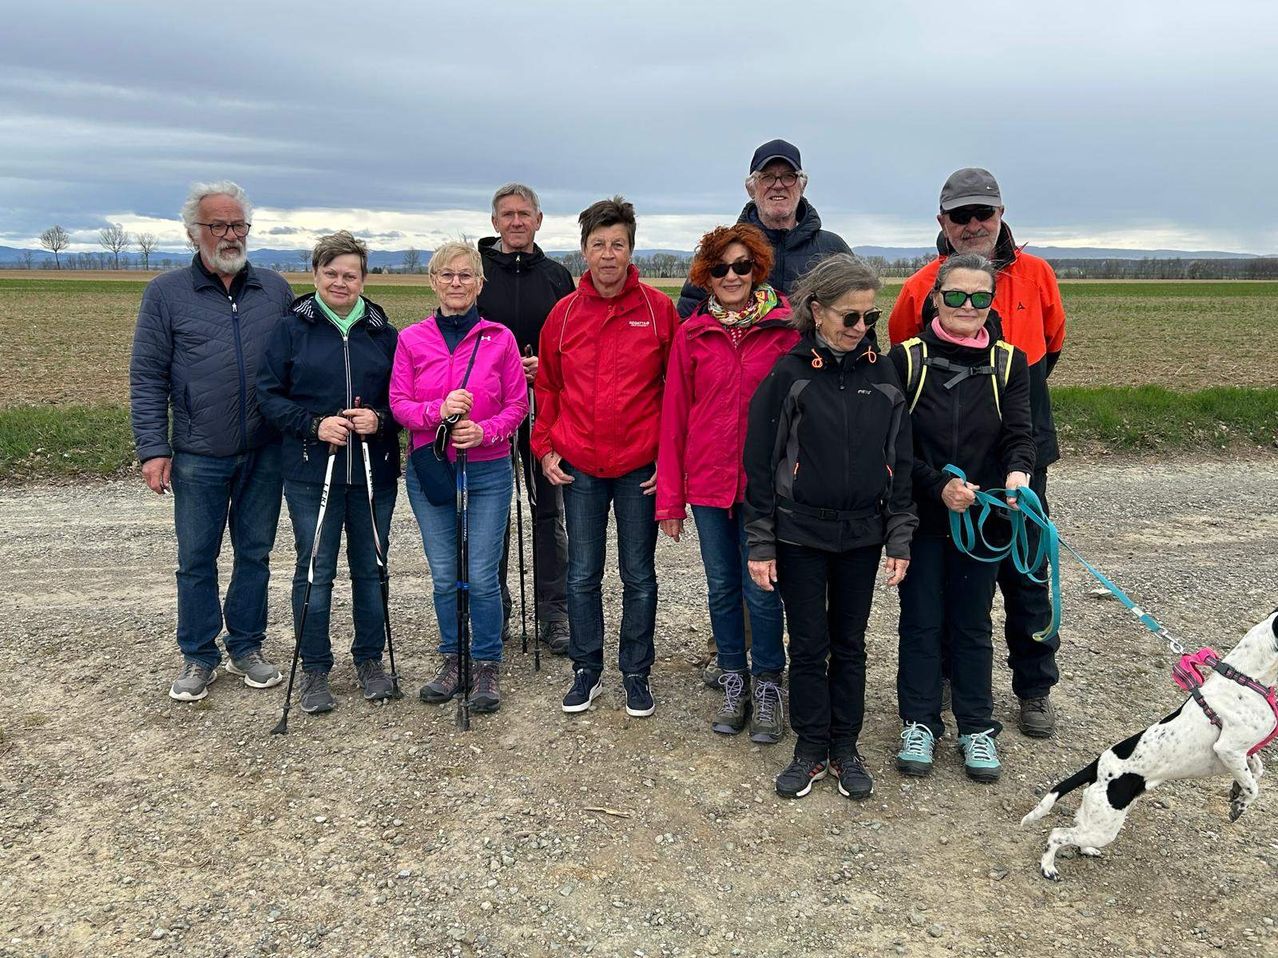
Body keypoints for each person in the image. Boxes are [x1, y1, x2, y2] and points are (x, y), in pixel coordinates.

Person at [888, 168, 1067, 738]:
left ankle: (1034, 686)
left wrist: (1017, 448)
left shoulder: (1037, 275)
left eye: (982, 213)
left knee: (1026, 572)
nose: (972, 225)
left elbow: (1052, 345)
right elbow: (904, 370)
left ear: (1000, 214)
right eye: (959, 215)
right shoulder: (920, 286)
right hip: (940, 466)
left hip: (1019, 452)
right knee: (947, 575)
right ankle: (944, 683)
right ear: (941, 221)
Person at [743, 254, 916, 801]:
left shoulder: (885, 375)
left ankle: (846, 747)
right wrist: (762, 540)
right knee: (810, 645)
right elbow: (759, 463)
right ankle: (810, 747)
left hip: (863, 537)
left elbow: (902, 461)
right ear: (816, 311)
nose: (860, 328)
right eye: (848, 316)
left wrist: (899, 535)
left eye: (869, 316)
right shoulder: (789, 376)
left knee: (851, 644)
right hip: (800, 537)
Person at [130, 180, 294, 702]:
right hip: (198, 453)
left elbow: (296, 366)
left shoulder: (274, 289)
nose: (229, 235)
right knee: (196, 558)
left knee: (256, 553)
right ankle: (198, 655)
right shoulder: (166, 294)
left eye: (237, 225)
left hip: (265, 450)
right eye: (217, 225)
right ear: (192, 232)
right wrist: (154, 447)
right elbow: (148, 375)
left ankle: (246, 645)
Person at [889, 253, 1036, 782]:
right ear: (935, 298)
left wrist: (1018, 474)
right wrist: (939, 487)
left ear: (991, 303)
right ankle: (919, 721)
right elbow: (896, 447)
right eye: (956, 296)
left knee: (973, 623)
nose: (967, 306)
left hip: (983, 521)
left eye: (979, 298)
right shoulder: (905, 360)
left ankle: (977, 726)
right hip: (924, 518)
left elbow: (1021, 433)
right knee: (922, 620)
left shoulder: (1009, 362)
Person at [532, 197, 678, 718]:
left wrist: (669, 457)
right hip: (581, 465)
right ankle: (586, 669)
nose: (609, 254)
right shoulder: (565, 314)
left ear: (631, 249)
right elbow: (547, 385)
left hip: (640, 466)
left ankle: (636, 673)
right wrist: (545, 445)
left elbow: (676, 391)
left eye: (618, 244)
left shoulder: (659, 312)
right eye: (599, 245)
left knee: (639, 575)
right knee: (582, 575)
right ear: (584, 251)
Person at [656, 224, 798, 742]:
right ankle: (733, 678)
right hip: (710, 486)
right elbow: (674, 418)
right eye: (721, 268)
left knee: (762, 588)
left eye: (741, 266)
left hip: (766, 488)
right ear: (706, 276)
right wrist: (670, 499)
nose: (732, 275)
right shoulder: (692, 333)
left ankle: (768, 684)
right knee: (721, 587)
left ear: (756, 267)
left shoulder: (786, 329)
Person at [256, 231, 401, 714]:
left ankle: (369, 659)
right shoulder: (291, 328)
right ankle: (315, 667)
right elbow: (269, 395)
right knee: (315, 571)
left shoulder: (383, 331)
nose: (341, 282)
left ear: (363, 278)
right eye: (331, 273)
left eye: (351, 274)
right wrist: (314, 426)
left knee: (371, 566)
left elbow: (403, 400)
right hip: (308, 470)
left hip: (372, 471)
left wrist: (378, 419)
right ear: (316, 274)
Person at [390, 241, 527, 714]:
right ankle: (454, 659)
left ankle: (486, 661)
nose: (455, 283)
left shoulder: (500, 339)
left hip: (487, 469)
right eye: (446, 275)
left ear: (479, 284)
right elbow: (399, 405)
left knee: (483, 575)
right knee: (447, 574)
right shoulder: (411, 340)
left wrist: (484, 430)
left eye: (465, 275)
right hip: (433, 470)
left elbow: (518, 405)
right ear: (433, 282)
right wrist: (438, 411)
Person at [477, 183, 576, 654]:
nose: (516, 222)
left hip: (545, 407)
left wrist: (549, 367)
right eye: (507, 215)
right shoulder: (475, 274)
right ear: (495, 222)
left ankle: (554, 611)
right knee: (492, 512)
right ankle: (492, 606)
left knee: (548, 510)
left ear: (539, 220)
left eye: (525, 214)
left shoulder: (558, 278)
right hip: (488, 412)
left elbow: (576, 344)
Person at [676, 139, 851, 319]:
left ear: (802, 186)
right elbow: (688, 323)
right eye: (767, 177)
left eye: (788, 176)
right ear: (751, 188)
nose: (778, 185)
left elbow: (859, 321)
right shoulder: (719, 250)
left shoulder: (833, 250)